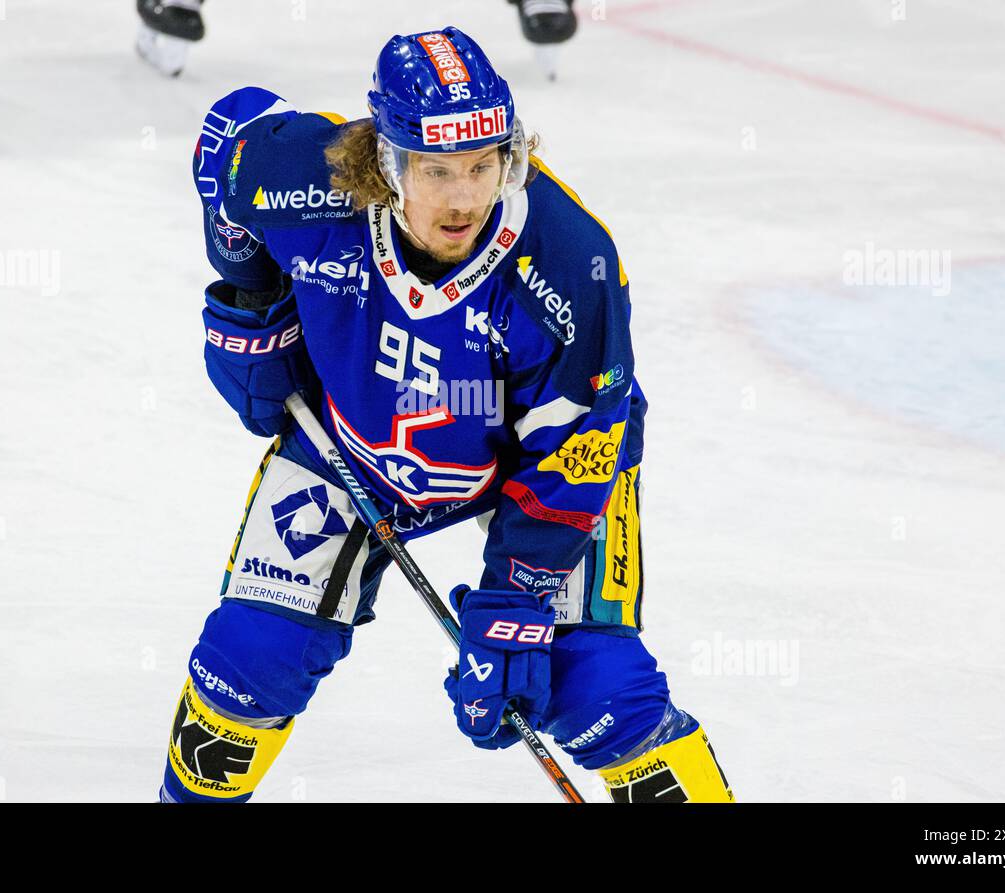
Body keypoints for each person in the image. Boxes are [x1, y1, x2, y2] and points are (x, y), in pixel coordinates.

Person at [162, 27, 733, 803]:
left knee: (595, 687)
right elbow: (228, 142)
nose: (464, 195)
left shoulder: (571, 262)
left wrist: (516, 598)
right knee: (248, 658)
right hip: (352, 441)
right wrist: (252, 303)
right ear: (385, 162)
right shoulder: (308, 180)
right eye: (435, 170)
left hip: (539, 464)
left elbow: (579, 447)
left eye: (481, 164)